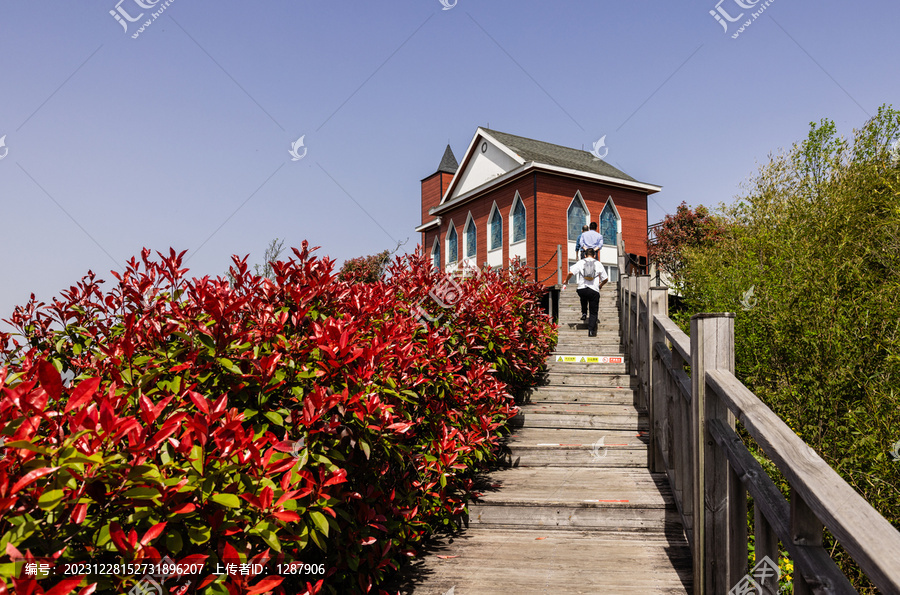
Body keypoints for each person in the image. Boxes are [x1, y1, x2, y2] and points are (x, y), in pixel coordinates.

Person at [562, 247, 608, 337]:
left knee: (583, 296)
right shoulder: (598, 264)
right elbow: (605, 279)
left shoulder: (581, 262)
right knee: (593, 311)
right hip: (594, 290)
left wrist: (566, 281)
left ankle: (584, 313)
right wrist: (601, 285)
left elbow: (570, 273)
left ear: (585, 255)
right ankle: (591, 331)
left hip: (581, 289)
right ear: (594, 256)